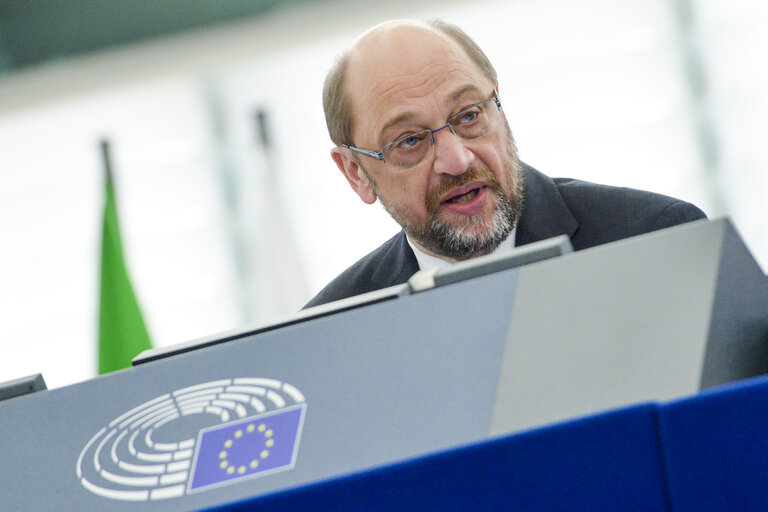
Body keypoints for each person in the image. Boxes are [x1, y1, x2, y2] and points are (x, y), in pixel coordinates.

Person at [304, 18, 706, 308]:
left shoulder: (657, 240)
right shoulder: (333, 330)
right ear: (355, 172)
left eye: (468, 116)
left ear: (499, 104)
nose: (457, 160)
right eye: (410, 141)